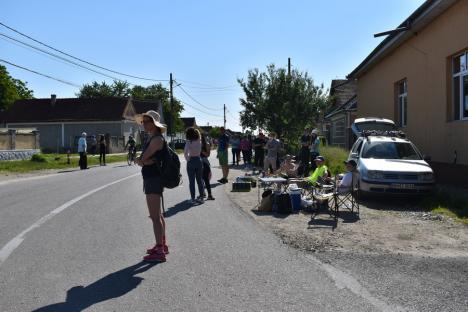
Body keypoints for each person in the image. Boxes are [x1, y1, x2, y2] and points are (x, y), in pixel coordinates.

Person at [135, 110, 168, 263]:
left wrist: (141, 160)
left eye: (146, 121)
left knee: (154, 217)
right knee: (158, 215)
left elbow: (143, 158)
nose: (143, 124)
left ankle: (160, 250)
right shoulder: (154, 138)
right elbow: (145, 160)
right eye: (143, 121)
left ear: (153, 124)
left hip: (153, 179)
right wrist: (144, 161)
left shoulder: (156, 140)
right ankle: (162, 245)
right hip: (152, 178)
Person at [184, 127, 205, 204]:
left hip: (191, 161)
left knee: (191, 181)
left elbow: (186, 153)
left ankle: (193, 198)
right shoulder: (199, 141)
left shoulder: (188, 142)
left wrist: (188, 159)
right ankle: (202, 198)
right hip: (199, 160)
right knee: (200, 180)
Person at [201, 133, 215, 200]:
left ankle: (209, 194)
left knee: (206, 179)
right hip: (198, 162)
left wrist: (201, 151)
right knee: (200, 179)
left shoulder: (207, 144)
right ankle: (203, 193)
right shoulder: (196, 143)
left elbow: (207, 155)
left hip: (204, 161)